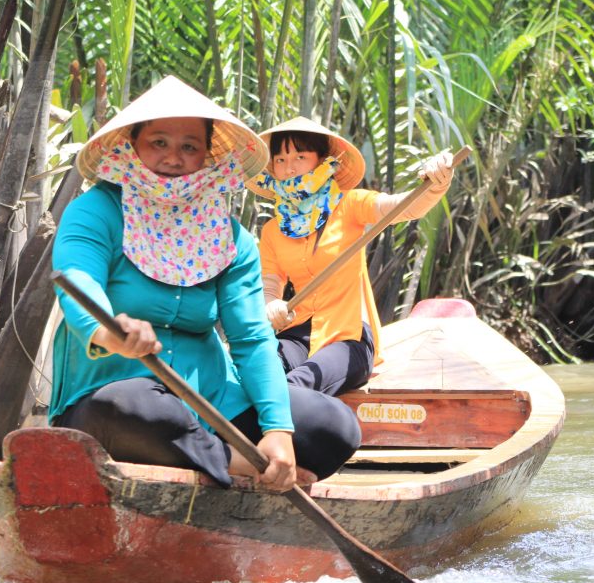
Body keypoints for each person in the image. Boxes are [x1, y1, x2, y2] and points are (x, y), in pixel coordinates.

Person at [49, 77, 361, 491]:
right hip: (114, 395)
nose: (173, 158)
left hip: (213, 401)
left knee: (334, 425)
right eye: (158, 142)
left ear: (206, 156)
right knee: (134, 408)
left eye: (189, 147)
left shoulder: (230, 237)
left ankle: (226, 456)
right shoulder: (94, 211)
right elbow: (78, 280)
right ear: (131, 145)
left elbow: (251, 338)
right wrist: (110, 332)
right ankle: (238, 463)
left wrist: (279, 432)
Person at [247, 116, 456, 396]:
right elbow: (269, 285)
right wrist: (270, 306)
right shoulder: (274, 229)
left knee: (295, 386)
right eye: (281, 159)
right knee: (255, 369)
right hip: (299, 334)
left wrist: (436, 184)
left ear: (321, 160)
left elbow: (404, 207)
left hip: (349, 336)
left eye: (300, 156)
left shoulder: (350, 204)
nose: (289, 167)